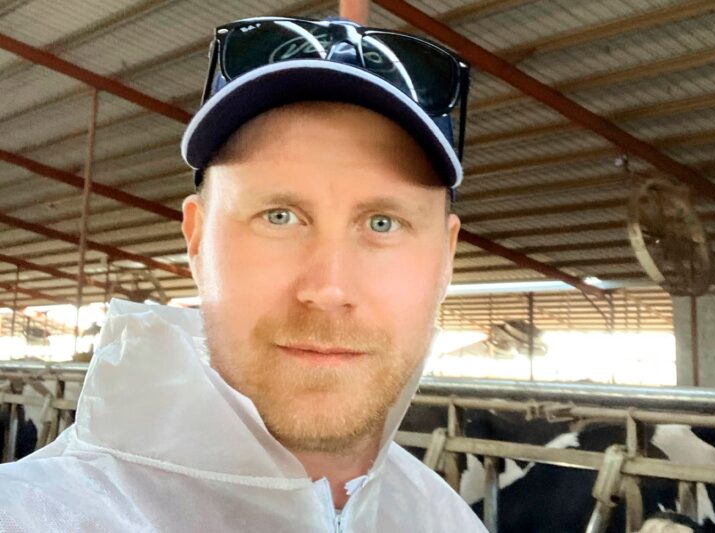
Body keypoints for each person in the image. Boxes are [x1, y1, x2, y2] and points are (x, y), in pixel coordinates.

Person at [0, 16, 487, 532]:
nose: (329, 288)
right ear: (197, 239)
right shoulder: (38, 513)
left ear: (446, 257)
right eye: (279, 216)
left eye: (383, 223)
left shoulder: (446, 520)